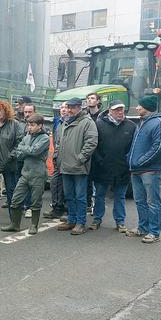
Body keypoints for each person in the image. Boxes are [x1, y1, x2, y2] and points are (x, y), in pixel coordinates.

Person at [126, 94, 161, 243]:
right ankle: (142, 227)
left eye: (140, 106)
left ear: (147, 108)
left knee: (152, 201)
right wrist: (130, 159)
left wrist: (141, 161)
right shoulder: (142, 122)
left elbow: (159, 147)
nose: (137, 108)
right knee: (140, 201)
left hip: (150, 170)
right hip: (136, 169)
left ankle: (154, 232)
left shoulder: (159, 123)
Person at [89, 100, 136, 232]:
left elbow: (132, 147)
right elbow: (94, 146)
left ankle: (120, 222)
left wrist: (127, 162)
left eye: (122, 109)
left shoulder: (131, 126)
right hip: (102, 168)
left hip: (122, 169)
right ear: (110, 111)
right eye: (117, 110)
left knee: (120, 196)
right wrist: (99, 161)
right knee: (99, 195)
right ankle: (97, 219)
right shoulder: (99, 125)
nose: (120, 112)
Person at [54, 97, 98, 235]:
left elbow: (91, 142)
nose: (69, 110)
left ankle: (80, 222)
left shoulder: (87, 122)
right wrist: (57, 156)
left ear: (80, 107)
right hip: (65, 165)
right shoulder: (64, 122)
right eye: (68, 107)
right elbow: (58, 141)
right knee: (69, 195)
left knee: (80, 196)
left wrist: (80, 159)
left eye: (73, 107)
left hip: (79, 167)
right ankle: (72, 220)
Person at [1, 113, 50, 234]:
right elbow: (19, 153)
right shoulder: (27, 137)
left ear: (40, 126)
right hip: (25, 174)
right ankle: (14, 224)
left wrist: (25, 149)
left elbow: (35, 151)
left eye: (32, 125)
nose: (29, 127)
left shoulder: (45, 138)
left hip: (38, 174)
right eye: (28, 125)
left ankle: (34, 225)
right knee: (16, 199)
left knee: (35, 201)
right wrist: (26, 150)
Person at [0, 100, 23, 223]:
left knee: (11, 191)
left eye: (0, 110)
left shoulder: (15, 125)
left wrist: (11, 156)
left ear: (6, 111)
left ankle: (14, 218)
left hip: (9, 163)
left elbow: (20, 142)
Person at [44, 102, 68, 220]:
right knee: (55, 183)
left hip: (68, 159)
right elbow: (55, 141)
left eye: (66, 108)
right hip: (57, 157)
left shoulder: (71, 123)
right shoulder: (57, 122)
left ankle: (66, 209)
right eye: (61, 108)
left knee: (66, 185)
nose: (63, 110)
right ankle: (56, 207)